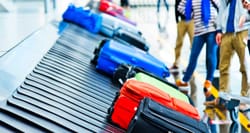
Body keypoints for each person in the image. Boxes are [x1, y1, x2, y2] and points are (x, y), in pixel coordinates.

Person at [215, 0, 250, 132]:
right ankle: (224, 95)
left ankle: (244, 98)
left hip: (242, 31)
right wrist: (219, 30)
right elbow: (221, 10)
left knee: (245, 67)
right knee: (223, 66)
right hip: (227, 32)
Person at [171, 0, 197, 106]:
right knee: (179, 43)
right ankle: (176, 62)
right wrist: (176, 19)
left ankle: (191, 65)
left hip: (192, 21)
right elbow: (176, 5)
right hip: (182, 20)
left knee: (194, 45)